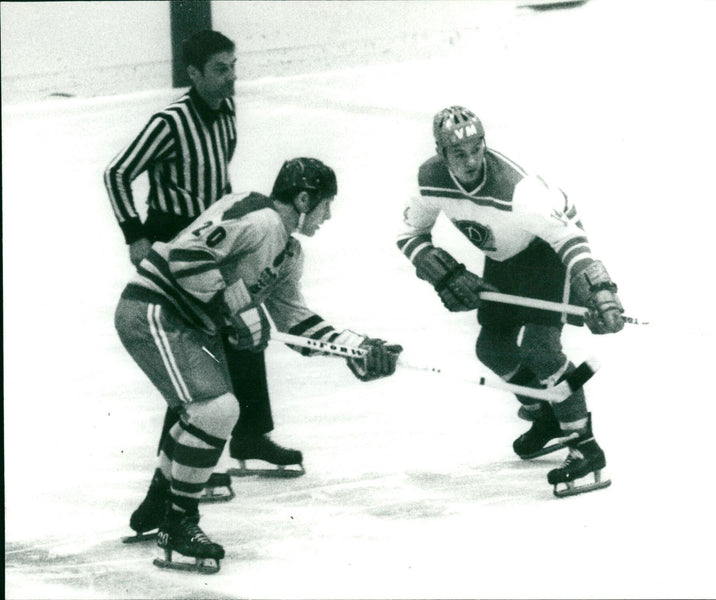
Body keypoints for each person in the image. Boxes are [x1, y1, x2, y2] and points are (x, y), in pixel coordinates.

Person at [114, 157, 403, 572]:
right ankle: (178, 521)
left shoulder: (289, 251)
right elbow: (185, 254)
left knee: (206, 410)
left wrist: (357, 348)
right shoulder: (259, 217)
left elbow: (297, 323)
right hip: (152, 309)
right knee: (216, 408)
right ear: (304, 199)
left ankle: (164, 497)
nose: (328, 215)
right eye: (325, 204)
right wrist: (230, 306)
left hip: (180, 321)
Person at [104, 31, 301, 541]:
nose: (231, 76)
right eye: (219, 68)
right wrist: (137, 236)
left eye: (233, 65)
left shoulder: (227, 111)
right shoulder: (171, 121)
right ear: (192, 75)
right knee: (194, 366)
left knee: (245, 328)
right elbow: (118, 173)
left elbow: (219, 180)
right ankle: (165, 488)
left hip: (217, 238)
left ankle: (252, 434)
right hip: (179, 245)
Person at [396, 106, 624, 497]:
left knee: (540, 350)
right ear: (441, 153)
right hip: (504, 258)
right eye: (458, 153)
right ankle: (546, 416)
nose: (470, 161)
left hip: (545, 253)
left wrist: (598, 289)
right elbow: (409, 234)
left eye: (476, 148)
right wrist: (446, 273)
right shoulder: (430, 179)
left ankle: (585, 445)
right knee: (492, 348)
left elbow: (569, 240)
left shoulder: (519, 191)